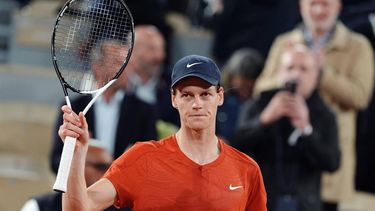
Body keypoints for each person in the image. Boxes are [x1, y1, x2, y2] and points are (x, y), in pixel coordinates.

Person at [57, 55, 267, 210]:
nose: (197, 104)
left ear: (220, 96)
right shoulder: (142, 158)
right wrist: (77, 153)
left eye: (205, 94)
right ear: (174, 99)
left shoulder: (246, 170)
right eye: (187, 95)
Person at [254, 0, 374, 210]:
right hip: (282, 160)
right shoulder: (285, 42)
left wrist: (323, 73)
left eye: (326, 4)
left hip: (327, 152)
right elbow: (260, 88)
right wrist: (290, 74)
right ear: (301, 7)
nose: (318, 10)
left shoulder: (358, 45)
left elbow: (361, 96)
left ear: (338, 7)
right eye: (313, 4)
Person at [233, 45, 340, 211]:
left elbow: (332, 163)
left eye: (304, 69)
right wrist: (264, 120)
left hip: (305, 204)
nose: (296, 74)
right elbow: (236, 147)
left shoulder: (325, 113)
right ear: (280, 71)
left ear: (316, 75)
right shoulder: (259, 103)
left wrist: (306, 129)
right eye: (290, 68)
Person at [50, 39, 158, 174]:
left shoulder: (144, 110)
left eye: (128, 64)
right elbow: (56, 161)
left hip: (123, 190)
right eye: (119, 63)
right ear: (98, 67)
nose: (126, 69)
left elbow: (152, 159)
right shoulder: (74, 107)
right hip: (82, 186)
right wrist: (81, 160)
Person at [21, 140, 129, 211]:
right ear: (75, 164)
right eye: (100, 166)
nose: (108, 172)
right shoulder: (40, 206)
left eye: (111, 167)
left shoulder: (123, 207)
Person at [216, 48, 264, 142]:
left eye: (250, 83)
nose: (246, 87)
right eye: (243, 86)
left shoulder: (260, 104)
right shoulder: (219, 99)